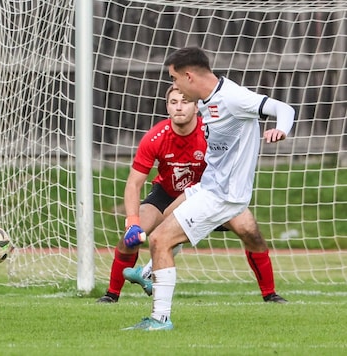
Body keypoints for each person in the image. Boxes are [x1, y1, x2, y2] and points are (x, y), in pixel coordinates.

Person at [124, 47, 295, 331]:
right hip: (207, 187)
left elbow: (284, 108)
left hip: (224, 195)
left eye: (175, 79)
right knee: (164, 230)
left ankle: (160, 320)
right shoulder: (205, 101)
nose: (174, 86)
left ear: (188, 76)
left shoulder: (233, 97)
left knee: (159, 241)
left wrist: (282, 129)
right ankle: (149, 272)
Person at [97, 86, 286, 304]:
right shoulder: (155, 137)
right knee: (130, 239)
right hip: (166, 194)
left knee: (250, 230)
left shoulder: (212, 132)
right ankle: (111, 295)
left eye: (185, 101)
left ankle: (270, 295)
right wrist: (132, 223)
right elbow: (134, 183)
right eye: (173, 102)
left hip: (210, 194)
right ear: (167, 107)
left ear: (197, 106)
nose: (179, 107)